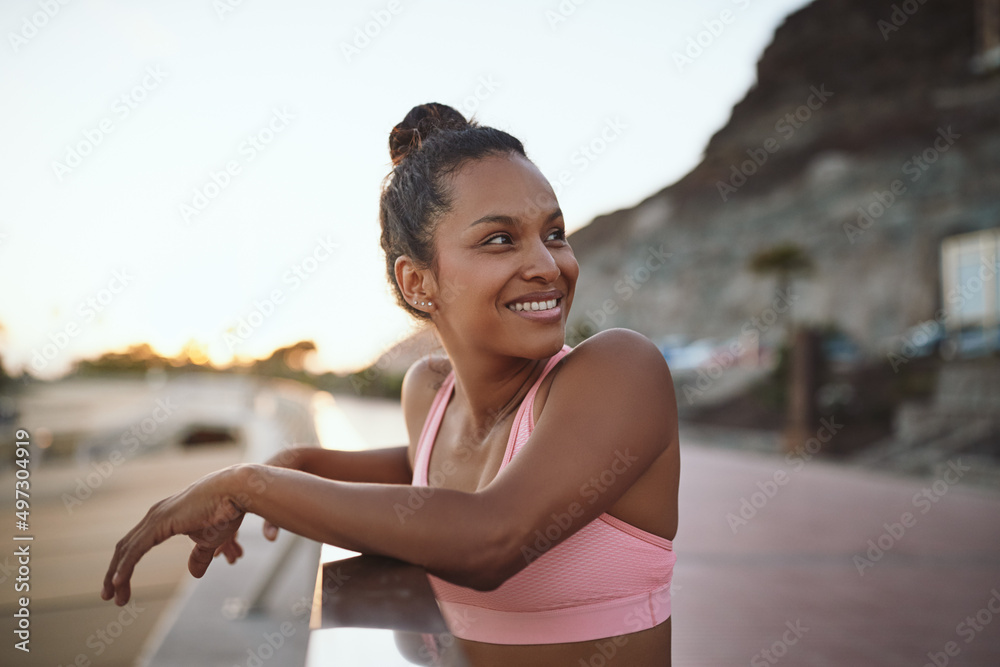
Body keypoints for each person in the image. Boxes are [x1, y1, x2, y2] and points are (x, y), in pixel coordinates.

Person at [102, 102, 680, 666]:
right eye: (500, 239)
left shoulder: (620, 370)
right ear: (418, 281)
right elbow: (428, 476)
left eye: (554, 233)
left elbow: (488, 538)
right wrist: (298, 460)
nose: (550, 265)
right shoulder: (428, 393)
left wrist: (248, 484)